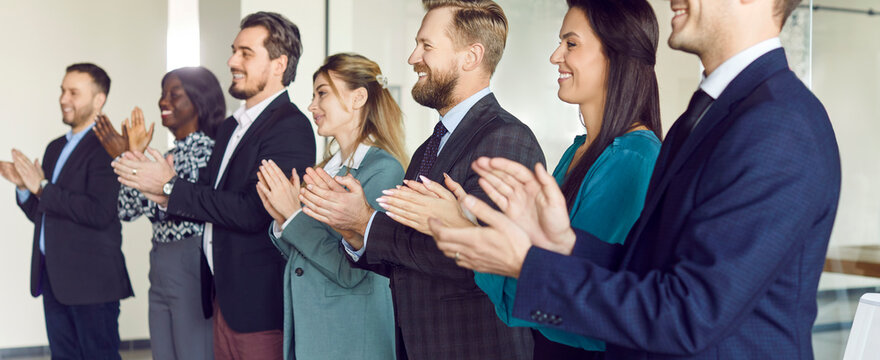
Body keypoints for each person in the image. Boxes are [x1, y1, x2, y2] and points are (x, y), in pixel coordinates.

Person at [430, 0, 841, 358]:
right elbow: (657, 274)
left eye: (571, 43)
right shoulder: (707, 118)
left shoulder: (778, 126)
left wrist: (528, 265)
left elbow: (690, 313)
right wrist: (565, 244)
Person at [376, 0, 662, 358]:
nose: (555, 56)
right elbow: (525, 298)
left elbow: (583, 307)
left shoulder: (632, 158)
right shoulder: (577, 153)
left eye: (571, 44)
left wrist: (467, 232)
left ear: (616, 55)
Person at [297, 1, 543, 359]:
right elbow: (406, 255)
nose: (413, 57)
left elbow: (483, 260)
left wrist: (367, 221)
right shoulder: (430, 146)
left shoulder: (506, 139)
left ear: (470, 57)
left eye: (427, 46)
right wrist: (353, 229)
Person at [111, 12, 316, 359]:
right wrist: (154, 188)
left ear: (279, 64)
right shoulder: (230, 127)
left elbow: (254, 211)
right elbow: (208, 197)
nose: (232, 60)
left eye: (246, 53)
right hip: (220, 295)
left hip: (257, 306)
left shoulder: (290, 126)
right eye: (234, 50)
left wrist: (169, 187)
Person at [255, 53, 404, 360]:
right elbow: (310, 257)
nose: (312, 106)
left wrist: (295, 216)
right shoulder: (325, 168)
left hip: (351, 334)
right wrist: (284, 220)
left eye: (322, 93)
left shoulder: (384, 170)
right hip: (316, 327)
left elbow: (352, 271)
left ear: (358, 97)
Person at [0, 63, 133, 359]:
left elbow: (99, 212)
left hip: (92, 282)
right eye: (62, 90)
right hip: (54, 279)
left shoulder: (109, 148)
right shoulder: (55, 147)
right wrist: (25, 188)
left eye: (74, 92)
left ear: (99, 100)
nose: (63, 98)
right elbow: (44, 213)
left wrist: (43, 188)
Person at [93, 66, 225, 360]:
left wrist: (133, 159)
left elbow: (170, 210)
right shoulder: (168, 155)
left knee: (194, 351)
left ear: (199, 101)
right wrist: (133, 155)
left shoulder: (208, 151)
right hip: (161, 259)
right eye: (163, 94)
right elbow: (126, 210)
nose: (163, 101)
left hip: (191, 260)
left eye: (174, 94)